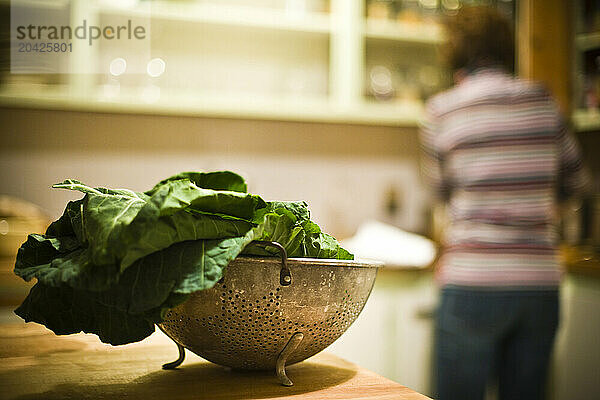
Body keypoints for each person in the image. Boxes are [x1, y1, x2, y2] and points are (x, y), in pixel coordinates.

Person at [419, 6, 590, 400]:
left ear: (454, 52)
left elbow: (440, 195)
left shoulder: (441, 111)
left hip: (472, 279)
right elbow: (577, 181)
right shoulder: (544, 103)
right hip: (538, 284)